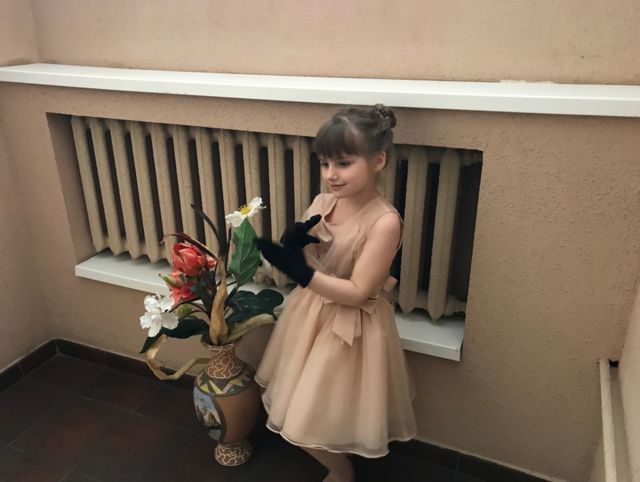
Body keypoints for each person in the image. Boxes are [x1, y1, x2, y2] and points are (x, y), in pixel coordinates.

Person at [255, 104, 417, 482]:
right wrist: (294, 244)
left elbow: (358, 292)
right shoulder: (323, 202)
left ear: (378, 160)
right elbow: (309, 251)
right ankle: (338, 464)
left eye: (344, 163)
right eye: (325, 163)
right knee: (301, 397)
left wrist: (301, 271)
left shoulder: (385, 221)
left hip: (351, 328)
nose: (331, 174)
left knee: (328, 403)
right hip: (310, 315)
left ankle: (341, 469)